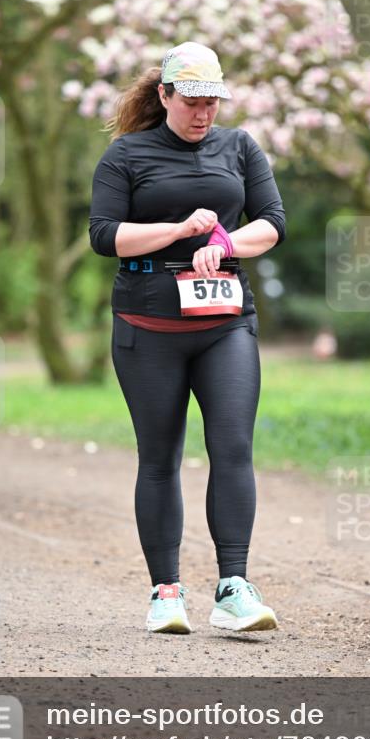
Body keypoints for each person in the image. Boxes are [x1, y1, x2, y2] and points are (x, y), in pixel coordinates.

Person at [89, 41, 286, 635]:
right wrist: (178, 229)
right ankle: (166, 592)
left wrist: (225, 243)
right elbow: (104, 236)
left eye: (213, 102)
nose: (203, 114)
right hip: (148, 327)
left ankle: (233, 587)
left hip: (225, 323)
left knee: (232, 448)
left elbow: (272, 223)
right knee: (160, 459)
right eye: (192, 101)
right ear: (165, 96)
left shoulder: (239, 146)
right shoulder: (127, 154)